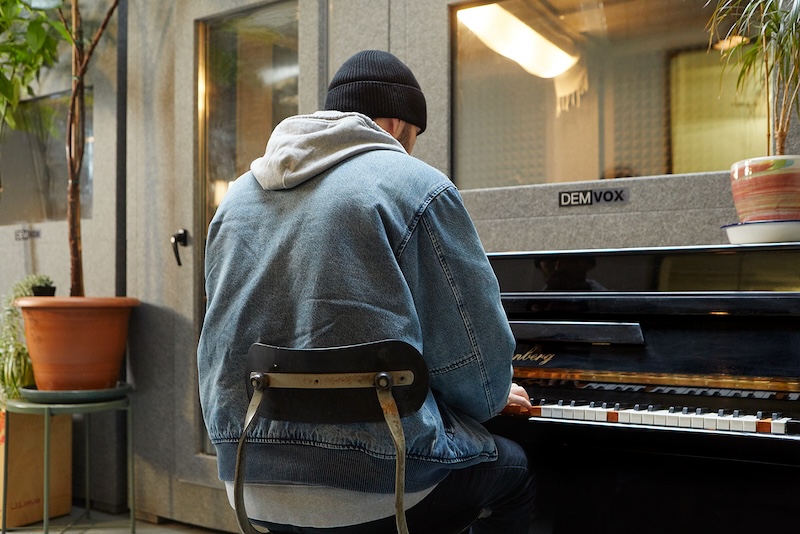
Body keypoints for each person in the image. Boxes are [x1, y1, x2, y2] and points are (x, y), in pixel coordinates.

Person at [197, 49, 535, 533]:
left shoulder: (236, 199)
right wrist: (496, 393)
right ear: (397, 124)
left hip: (251, 476)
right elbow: (478, 376)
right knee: (514, 470)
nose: (410, 150)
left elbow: (219, 351)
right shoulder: (418, 186)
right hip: (383, 484)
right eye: (414, 138)